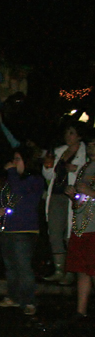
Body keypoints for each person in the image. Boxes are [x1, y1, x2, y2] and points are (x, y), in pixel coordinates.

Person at [0, 146, 45, 315]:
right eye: (13, 159)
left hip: (24, 230)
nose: (14, 162)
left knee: (23, 266)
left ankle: (29, 300)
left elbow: (19, 190)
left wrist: (11, 173)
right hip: (7, 229)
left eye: (18, 159)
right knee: (11, 267)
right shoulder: (12, 179)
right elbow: (2, 197)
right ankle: (14, 297)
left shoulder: (35, 180)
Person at [42, 122, 87, 284]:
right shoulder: (59, 151)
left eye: (72, 133)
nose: (68, 136)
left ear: (79, 136)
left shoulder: (85, 153)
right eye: (67, 133)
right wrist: (47, 165)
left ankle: (71, 271)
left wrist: (76, 169)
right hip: (56, 195)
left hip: (74, 197)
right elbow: (48, 175)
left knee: (70, 234)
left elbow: (89, 173)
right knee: (54, 232)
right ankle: (59, 269)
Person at [63, 137, 95, 321]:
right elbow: (80, 201)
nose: (91, 148)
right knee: (82, 270)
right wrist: (74, 195)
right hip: (82, 225)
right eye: (90, 144)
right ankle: (80, 312)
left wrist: (90, 193)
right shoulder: (84, 168)